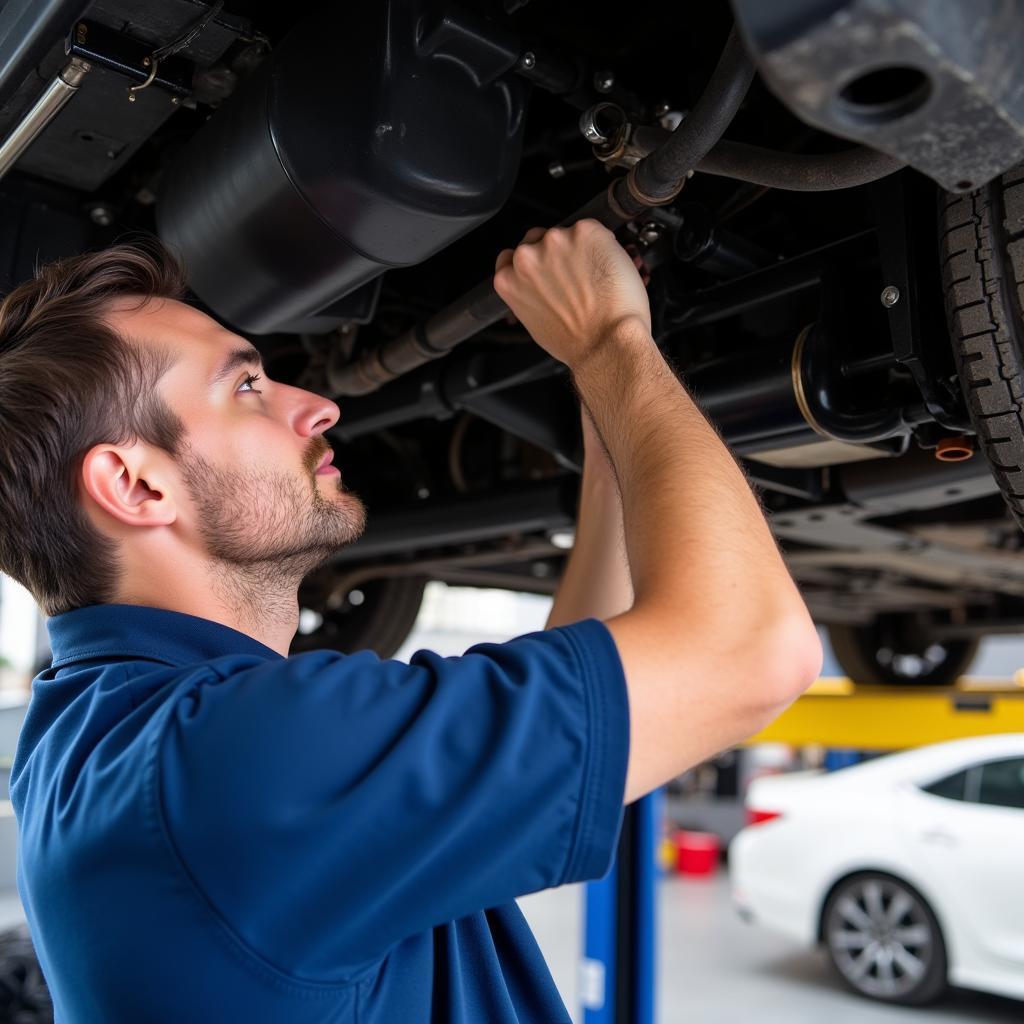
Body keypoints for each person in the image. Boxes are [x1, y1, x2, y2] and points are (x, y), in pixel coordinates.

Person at [1, 223, 821, 1022]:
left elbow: (543, 748)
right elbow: (752, 651)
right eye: (246, 386)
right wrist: (611, 340)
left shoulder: (88, 741)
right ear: (137, 486)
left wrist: (615, 431)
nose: (317, 404)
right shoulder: (233, 760)